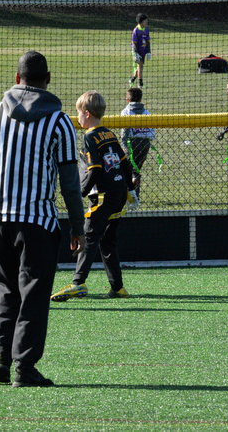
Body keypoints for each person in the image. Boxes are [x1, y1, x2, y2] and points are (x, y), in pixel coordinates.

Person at [0, 51, 86, 387]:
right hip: (38, 220)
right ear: (48, 79)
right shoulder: (59, 122)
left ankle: (1, 359)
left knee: (7, 290)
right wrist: (77, 225)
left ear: (17, 77)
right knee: (34, 293)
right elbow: (70, 181)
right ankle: (24, 366)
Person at [51, 91, 138, 304]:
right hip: (119, 193)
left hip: (103, 196)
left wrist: (80, 191)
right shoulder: (109, 134)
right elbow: (125, 163)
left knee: (88, 237)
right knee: (107, 241)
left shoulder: (90, 137)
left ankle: (78, 282)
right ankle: (117, 287)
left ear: (87, 113)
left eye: (79, 113)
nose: (78, 117)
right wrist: (130, 189)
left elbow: (95, 169)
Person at [120, 87, 156, 197]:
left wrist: (124, 146)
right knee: (136, 169)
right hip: (145, 144)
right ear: (140, 99)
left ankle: (129, 195)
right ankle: (135, 195)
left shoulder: (126, 112)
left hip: (131, 144)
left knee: (127, 170)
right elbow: (151, 131)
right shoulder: (147, 112)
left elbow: (124, 133)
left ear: (128, 100)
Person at [129, 13, 151, 89]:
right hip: (136, 51)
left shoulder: (146, 29)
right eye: (145, 21)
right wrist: (135, 53)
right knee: (140, 66)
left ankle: (132, 79)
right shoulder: (136, 30)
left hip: (143, 51)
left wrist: (149, 52)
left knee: (140, 67)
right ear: (141, 22)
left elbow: (148, 41)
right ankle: (140, 84)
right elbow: (134, 43)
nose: (147, 22)